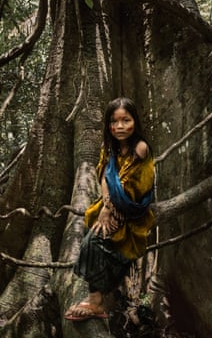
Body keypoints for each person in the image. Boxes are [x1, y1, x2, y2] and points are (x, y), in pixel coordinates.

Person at [65, 97, 155, 321]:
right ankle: (98, 298)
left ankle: (95, 302)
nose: (120, 126)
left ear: (135, 121)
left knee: (95, 240)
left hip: (132, 213)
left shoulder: (140, 148)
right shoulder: (109, 147)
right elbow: (106, 176)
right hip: (112, 208)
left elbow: (133, 186)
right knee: (92, 232)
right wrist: (106, 205)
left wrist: (112, 208)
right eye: (114, 122)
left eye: (126, 120)